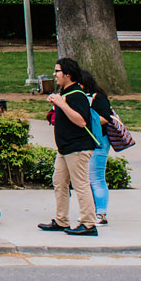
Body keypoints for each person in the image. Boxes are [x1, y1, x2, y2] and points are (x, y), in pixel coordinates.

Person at [42, 58, 100, 236]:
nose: (54, 74)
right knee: (59, 182)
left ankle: (89, 224)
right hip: (65, 148)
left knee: (80, 185)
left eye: (57, 71)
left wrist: (61, 104)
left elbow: (81, 121)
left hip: (78, 148)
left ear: (68, 74)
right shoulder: (67, 94)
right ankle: (61, 220)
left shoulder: (77, 95)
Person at [78, 68, 116, 226]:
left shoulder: (98, 98)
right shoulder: (79, 97)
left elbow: (106, 118)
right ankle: (93, 210)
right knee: (87, 178)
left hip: (99, 142)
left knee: (96, 178)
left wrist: (85, 121)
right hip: (85, 142)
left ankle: (101, 213)